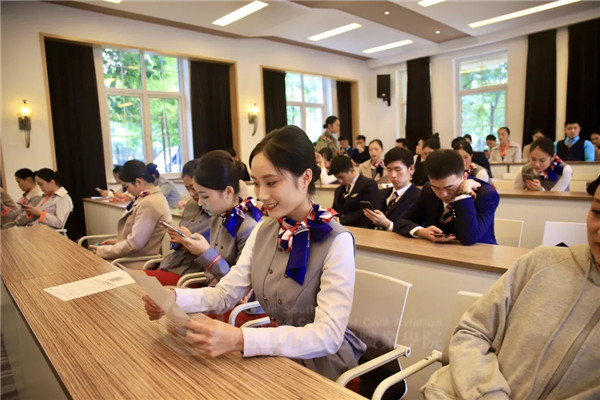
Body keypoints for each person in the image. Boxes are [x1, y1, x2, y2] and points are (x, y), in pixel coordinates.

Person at [142, 125, 366, 381]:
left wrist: (241, 338)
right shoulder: (264, 230)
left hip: (325, 369)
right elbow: (225, 293)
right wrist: (173, 297)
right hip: (276, 356)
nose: (261, 195)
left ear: (305, 178)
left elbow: (328, 336)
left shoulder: (337, 241)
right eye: (257, 183)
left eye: (271, 182)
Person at [421, 180, 600, 399]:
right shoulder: (541, 262)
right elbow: (472, 331)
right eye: (597, 212)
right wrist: (489, 393)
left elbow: (469, 235)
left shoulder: (486, 194)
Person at [149, 152, 262, 286]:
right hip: (212, 290)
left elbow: (239, 286)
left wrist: (205, 252)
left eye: (205, 196)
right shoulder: (218, 217)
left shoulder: (248, 227)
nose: (200, 203)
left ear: (228, 192)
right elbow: (211, 276)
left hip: (228, 295)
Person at [395, 150, 499, 245]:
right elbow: (401, 221)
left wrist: (464, 194)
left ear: (464, 176)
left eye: (449, 188)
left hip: (480, 252)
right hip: (440, 253)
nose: (443, 194)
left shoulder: (486, 195)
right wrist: (422, 232)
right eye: (436, 188)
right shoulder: (428, 189)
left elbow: (469, 238)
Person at [144, 159, 212, 285]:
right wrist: (176, 239)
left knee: (135, 279)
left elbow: (214, 253)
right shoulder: (191, 205)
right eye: (187, 189)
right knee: (133, 279)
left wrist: (189, 239)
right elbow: (175, 247)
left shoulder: (218, 211)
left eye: (193, 188)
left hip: (190, 272)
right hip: (172, 263)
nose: (191, 194)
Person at [92, 160, 172, 263]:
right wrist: (116, 243)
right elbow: (138, 239)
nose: (127, 191)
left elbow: (134, 244)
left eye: (126, 186)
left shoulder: (149, 203)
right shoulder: (149, 198)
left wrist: (103, 251)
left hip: (135, 261)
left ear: (138, 182)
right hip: (132, 257)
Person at [363, 147, 420, 231]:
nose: (393, 175)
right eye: (389, 170)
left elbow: (415, 229)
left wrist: (387, 224)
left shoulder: (419, 197)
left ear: (411, 169)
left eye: (398, 169)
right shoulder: (381, 193)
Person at [330, 155, 378, 228]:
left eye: (341, 177)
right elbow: (334, 210)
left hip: (361, 229)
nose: (340, 181)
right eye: (337, 178)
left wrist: (340, 219)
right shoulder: (339, 190)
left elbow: (366, 213)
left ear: (351, 170)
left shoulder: (369, 185)